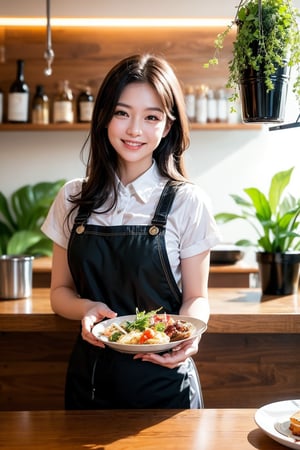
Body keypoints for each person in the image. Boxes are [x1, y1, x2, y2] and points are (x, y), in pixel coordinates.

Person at [41, 53, 221, 409]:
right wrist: (87, 309)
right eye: (122, 113)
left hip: (166, 384)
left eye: (151, 117)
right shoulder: (72, 198)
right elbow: (59, 292)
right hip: (90, 384)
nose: (134, 130)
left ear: (167, 127)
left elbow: (196, 297)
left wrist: (192, 335)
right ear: (105, 116)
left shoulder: (188, 201)